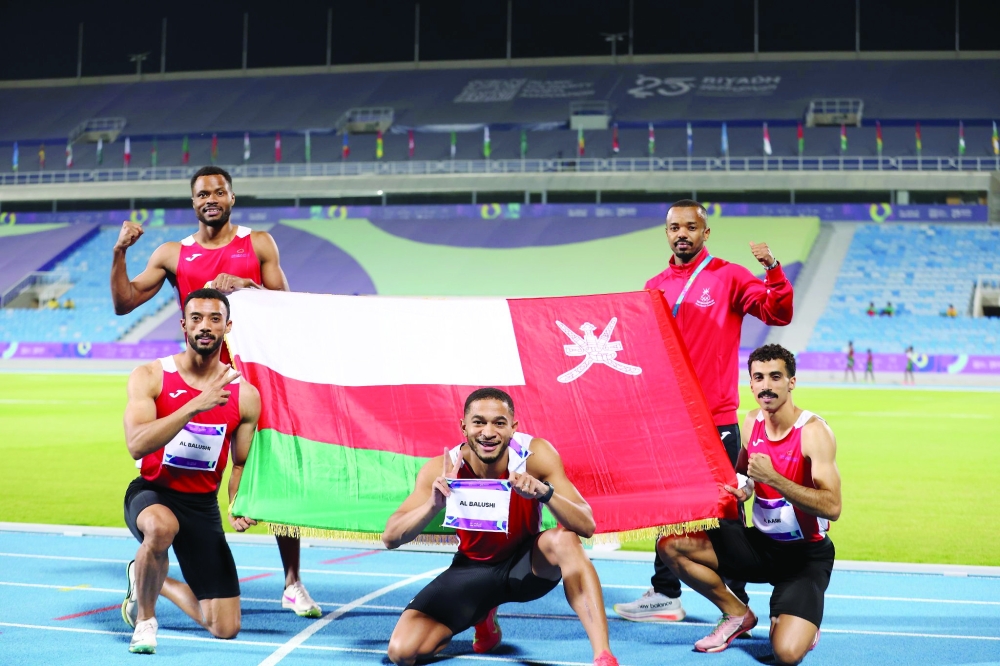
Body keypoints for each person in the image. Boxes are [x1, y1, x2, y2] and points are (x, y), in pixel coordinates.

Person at [110, 165, 320, 619]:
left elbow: (289, 310)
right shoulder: (173, 253)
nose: (211, 198)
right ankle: (161, 552)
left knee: (274, 472)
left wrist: (249, 286)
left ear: (231, 197)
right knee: (189, 473)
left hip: (255, 380)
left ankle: (292, 581)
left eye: (219, 191)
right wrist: (120, 253)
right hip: (199, 382)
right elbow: (125, 301)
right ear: (193, 202)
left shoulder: (258, 243)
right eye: (202, 193)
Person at [615, 199, 793, 624]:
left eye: (690, 227)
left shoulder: (729, 276)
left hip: (714, 416)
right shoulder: (654, 285)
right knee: (669, 507)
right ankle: (665, 595)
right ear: (666, 232)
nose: (682, 234)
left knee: (726, 510)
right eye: (674, 227)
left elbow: (777, 312)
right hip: (669, 419)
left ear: (705, 233)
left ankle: (739, 597)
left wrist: (773, 270)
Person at [382, 388, 618, 666]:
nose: (488, 432)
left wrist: (545, 493)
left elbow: (586, 524)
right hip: (472, 571)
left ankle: (603, 656)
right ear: (464, 427)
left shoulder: (535, 455)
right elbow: (390, 537)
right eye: (479, 422)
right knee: (402, 653)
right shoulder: (442, 468)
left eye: (499, 423)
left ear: (513, 428)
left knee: (565, 539)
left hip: (526, 565)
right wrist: (432, 506)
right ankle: (483, 615)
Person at [657, 344, 841, 663]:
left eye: (775, 376)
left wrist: (775, 479)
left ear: (791, 382)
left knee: (785, 654)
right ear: (751, 383)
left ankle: (797, 618)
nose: (766, 385)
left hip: (804, 557)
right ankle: (737, 614)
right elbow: (745, 474)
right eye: (759, 377)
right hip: (760, 546)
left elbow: (832, 507)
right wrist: (745, 487)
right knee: (671, 545)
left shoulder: (813, 432)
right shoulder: (751, 420)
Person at [121, 289, 261, 654]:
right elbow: (137, 443)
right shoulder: (151, 376)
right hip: (153, 492)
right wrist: (193, 406)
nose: (205, 326)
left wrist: (237, 500)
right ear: (183, 324)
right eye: (196, 318)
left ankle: (146, 576)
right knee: (160, 527)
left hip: (201, 506)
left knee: (225, 627)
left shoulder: (244, 395)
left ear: (227, 327)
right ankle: (146, 622)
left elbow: (240, 462)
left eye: (215, 319)